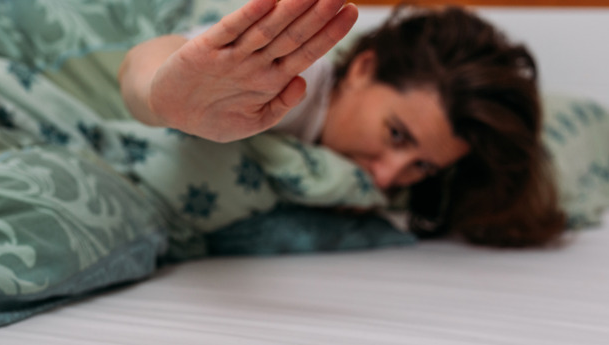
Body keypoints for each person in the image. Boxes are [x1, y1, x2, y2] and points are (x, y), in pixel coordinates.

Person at [118, 0, 565, 247]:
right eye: (396, 134)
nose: (389, 175)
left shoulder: (408, 197)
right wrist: (162, 99)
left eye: (422, 166)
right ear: (364, 68)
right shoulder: (294, 81)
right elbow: (153, 61)